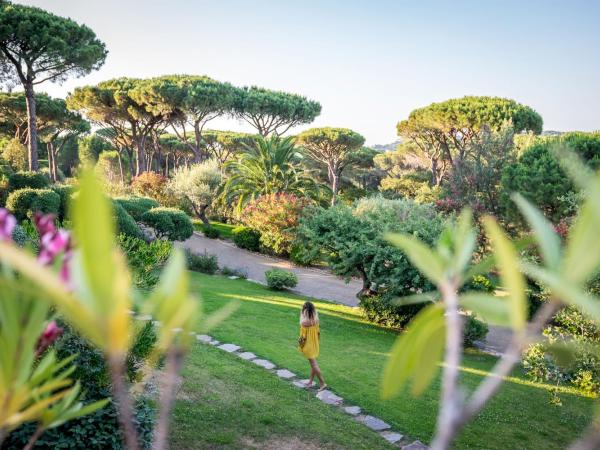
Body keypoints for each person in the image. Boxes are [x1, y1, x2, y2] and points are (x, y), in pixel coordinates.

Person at [298, 301, 327, 390]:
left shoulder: (304, 322)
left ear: (304, 310)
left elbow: (302, 337)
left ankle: (322, 383)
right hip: (315, 343)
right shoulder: (316, 320)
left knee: (314, 364)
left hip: (308, 345)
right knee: (313, 364)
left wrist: (300, 345)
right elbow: (318, 333)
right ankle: (310, 381)